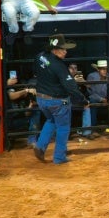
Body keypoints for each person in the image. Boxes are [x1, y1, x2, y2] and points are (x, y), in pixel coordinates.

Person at [32, 35, 89, 165]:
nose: (65, 52)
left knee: (51, 120)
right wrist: (83, 100)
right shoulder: (59, 66)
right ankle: (59, 157)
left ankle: (40, 147)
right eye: (62, 49)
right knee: (63, 127)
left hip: (41, 98)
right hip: (57, 101)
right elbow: (71, 88)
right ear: (54, 49)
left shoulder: (40, 56)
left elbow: (36, 71)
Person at [6, 74, 40, 147]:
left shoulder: (26, 99)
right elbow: (12, 96)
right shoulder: (13, 95)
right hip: (9, 122)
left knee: (36, 111)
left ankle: (32, 140)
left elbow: (27, 114)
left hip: (19, 121)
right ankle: (31, 139)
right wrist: (26, 91)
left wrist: (31, 106)